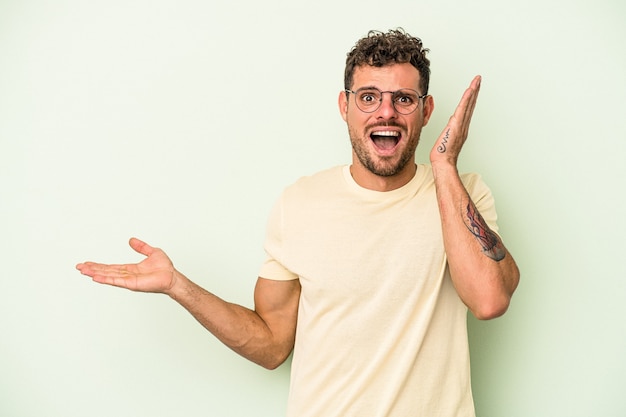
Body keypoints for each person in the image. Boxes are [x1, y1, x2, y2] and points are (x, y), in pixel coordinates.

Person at [77, 28, 520, 417]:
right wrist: (178, 285)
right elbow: (271, 344)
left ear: (426, 112)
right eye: (369, 97)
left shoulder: (463, 194)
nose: (386, 112)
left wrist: (444, 164)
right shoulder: (300, 202)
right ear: (345, 106)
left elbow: (488, 299)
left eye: (403, 99)